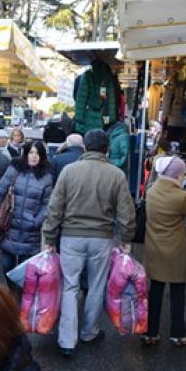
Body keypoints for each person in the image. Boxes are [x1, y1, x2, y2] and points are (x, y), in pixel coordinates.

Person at [42, 129, 135, 358]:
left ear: (85, 147)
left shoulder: (69, 171)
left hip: (71, 237)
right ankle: (89, 332)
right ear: (107, 149)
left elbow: (55, 208)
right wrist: (126, 238)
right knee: (96, 286)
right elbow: (126, 212)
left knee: (70, 286)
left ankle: (66, 340)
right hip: (101, 238)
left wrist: (49, 237)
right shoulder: (116, 175)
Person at [142, 156, 186, 347]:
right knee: (177, 292)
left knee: (155, 291)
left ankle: (151, 332)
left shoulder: (151, 191)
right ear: (177, 174)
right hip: (175, 251)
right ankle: (177, 332)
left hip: (154, 248)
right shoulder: (181, 196)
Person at [0, 141, 53, 274]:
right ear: (26, 154)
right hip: (9, 228)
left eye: (38, 153)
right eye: (31, 152)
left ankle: (20, 295)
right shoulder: (14, 169)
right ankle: (10, 294)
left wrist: (36, 221)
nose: (34, 156)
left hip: (31, 234)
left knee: (25, 275)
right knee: (5, 268)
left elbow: (47, 204)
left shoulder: (46, 177)